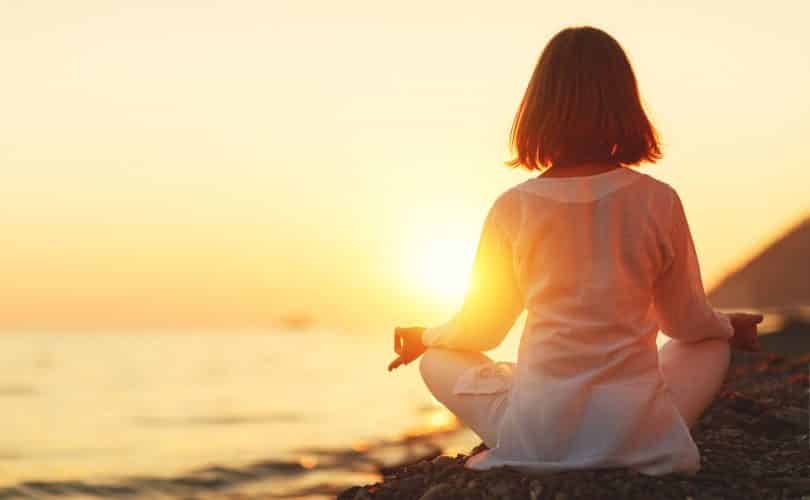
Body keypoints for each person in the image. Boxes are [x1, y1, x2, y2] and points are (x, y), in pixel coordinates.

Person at [387, 26, 763, 476]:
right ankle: (649, 433)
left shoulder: (514, 207)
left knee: (437, 361)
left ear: (539, 108)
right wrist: (728, 327)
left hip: (541, 432)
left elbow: (480, 330)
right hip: (636, 431)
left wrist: (426, 336)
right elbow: (683, 322)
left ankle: (545, 435)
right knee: (707, 345)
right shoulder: (658, 199)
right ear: (625, 104)